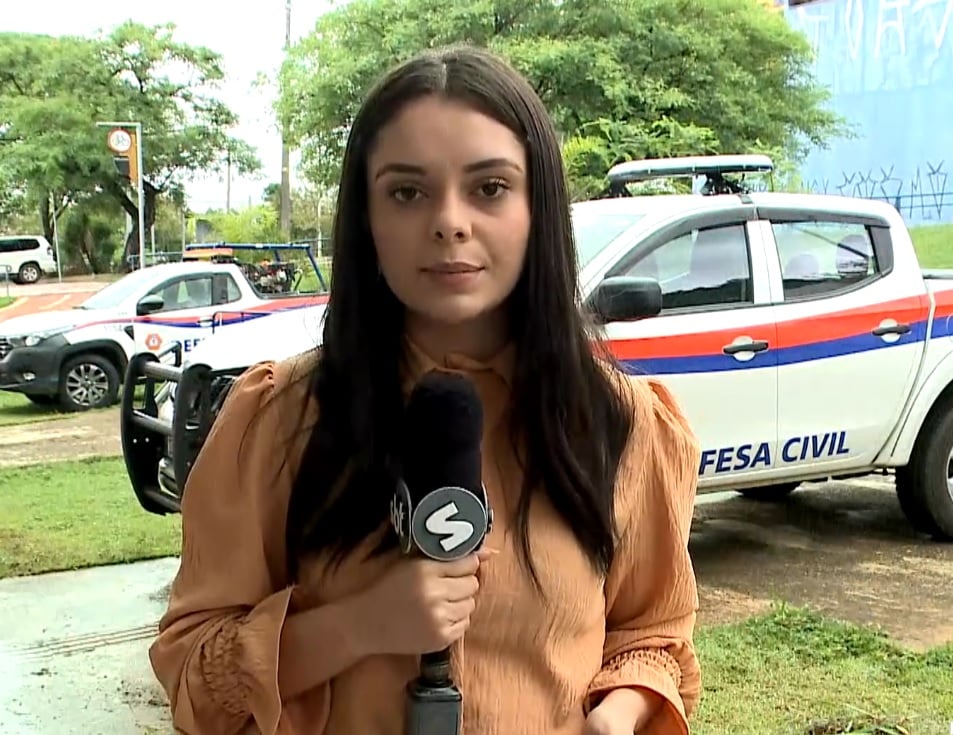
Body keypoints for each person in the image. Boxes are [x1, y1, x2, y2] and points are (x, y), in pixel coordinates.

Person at [149, 44, 702, 735]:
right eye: (407, 191)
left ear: (538, 208)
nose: (449, 221)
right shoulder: (281, 418)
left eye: (489, 187)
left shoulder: (619, 424)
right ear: (367, 219)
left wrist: (613, 718)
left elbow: (652, 633)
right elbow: (194, 674)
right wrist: (360, 623)